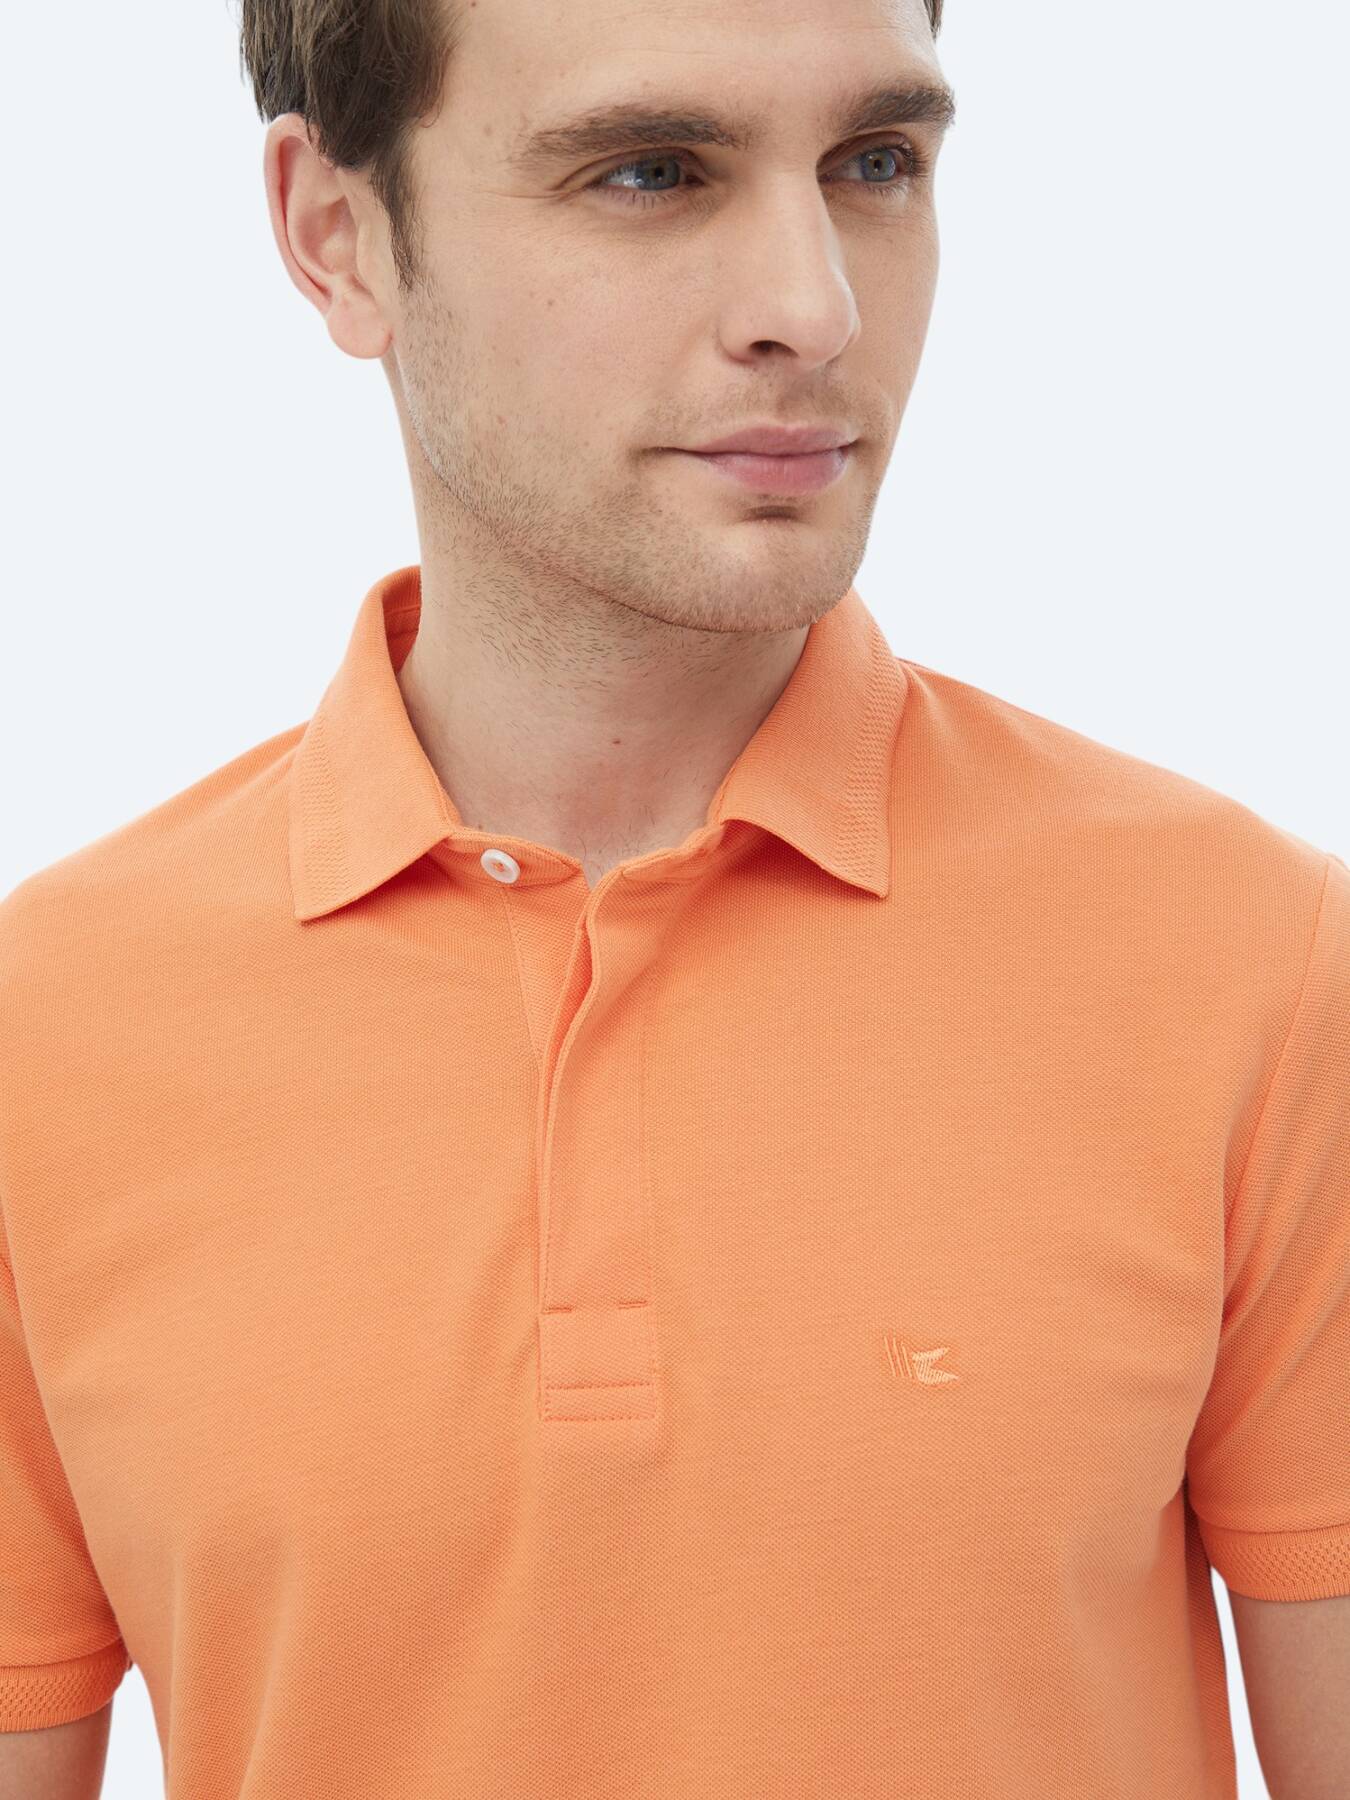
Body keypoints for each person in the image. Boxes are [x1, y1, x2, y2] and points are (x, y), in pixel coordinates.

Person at [2, 0, 1347, 1795]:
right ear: (338, 238)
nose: (815, 304)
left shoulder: (1252, 967)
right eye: (649, 171)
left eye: (874, 162)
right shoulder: (46, 1036)